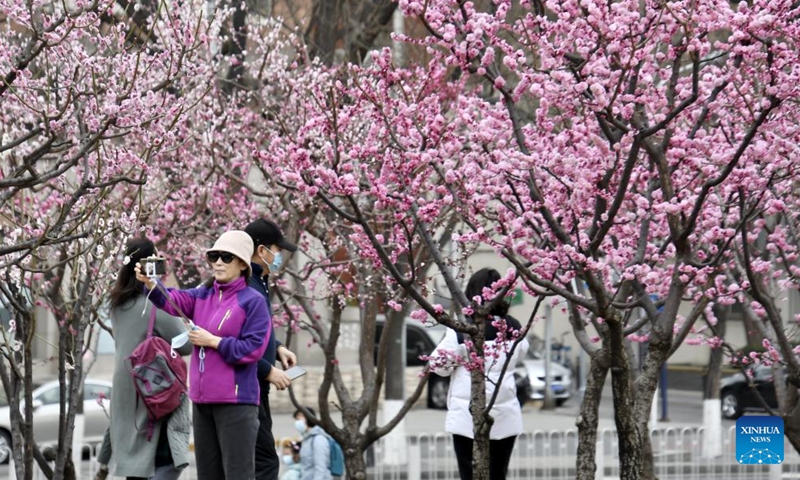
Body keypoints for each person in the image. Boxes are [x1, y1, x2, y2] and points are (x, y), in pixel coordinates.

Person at [135, 230, 270, 480]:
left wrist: (214, 342)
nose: (218, 262)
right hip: (202, 401)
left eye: (226, 257)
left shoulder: (253, 301)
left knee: (238, 475)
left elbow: (253, 349)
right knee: (207, 475)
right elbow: (172, 300)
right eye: (214, 256)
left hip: (236, 403)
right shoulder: (203, 294)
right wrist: (152, 284)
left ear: (242, 263)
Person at [97, 238, 192, 480]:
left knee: (134, 468)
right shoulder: (156, 306)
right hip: (151, 394)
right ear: (149, 265)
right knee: (157, 462)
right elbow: (187, 344)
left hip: (124, 392)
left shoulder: (118, 304)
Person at [429, 268, 530, 480]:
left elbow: (438, 366)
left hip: (468, 419)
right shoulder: (513, 328)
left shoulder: (462, 330)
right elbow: (520, 354)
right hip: (505, 417)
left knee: (471, 474)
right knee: (497, 475)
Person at [245, 218, 299, 480]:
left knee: (260, 461)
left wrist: (277, 348)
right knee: (264, 463)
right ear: (261, 251)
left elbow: (258, 333)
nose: (279, 256)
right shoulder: (246, 286)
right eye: (277, 250)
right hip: (248, 388)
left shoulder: (260, 283)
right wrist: (268, 371)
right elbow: (236, 343)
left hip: (256, 388)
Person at [293, 407, 331, 480]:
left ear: (309, 417)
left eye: (299, 419)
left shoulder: (318, 439)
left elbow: (321, 468)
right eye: (296, 419)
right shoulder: (306, 440)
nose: (297, 422)